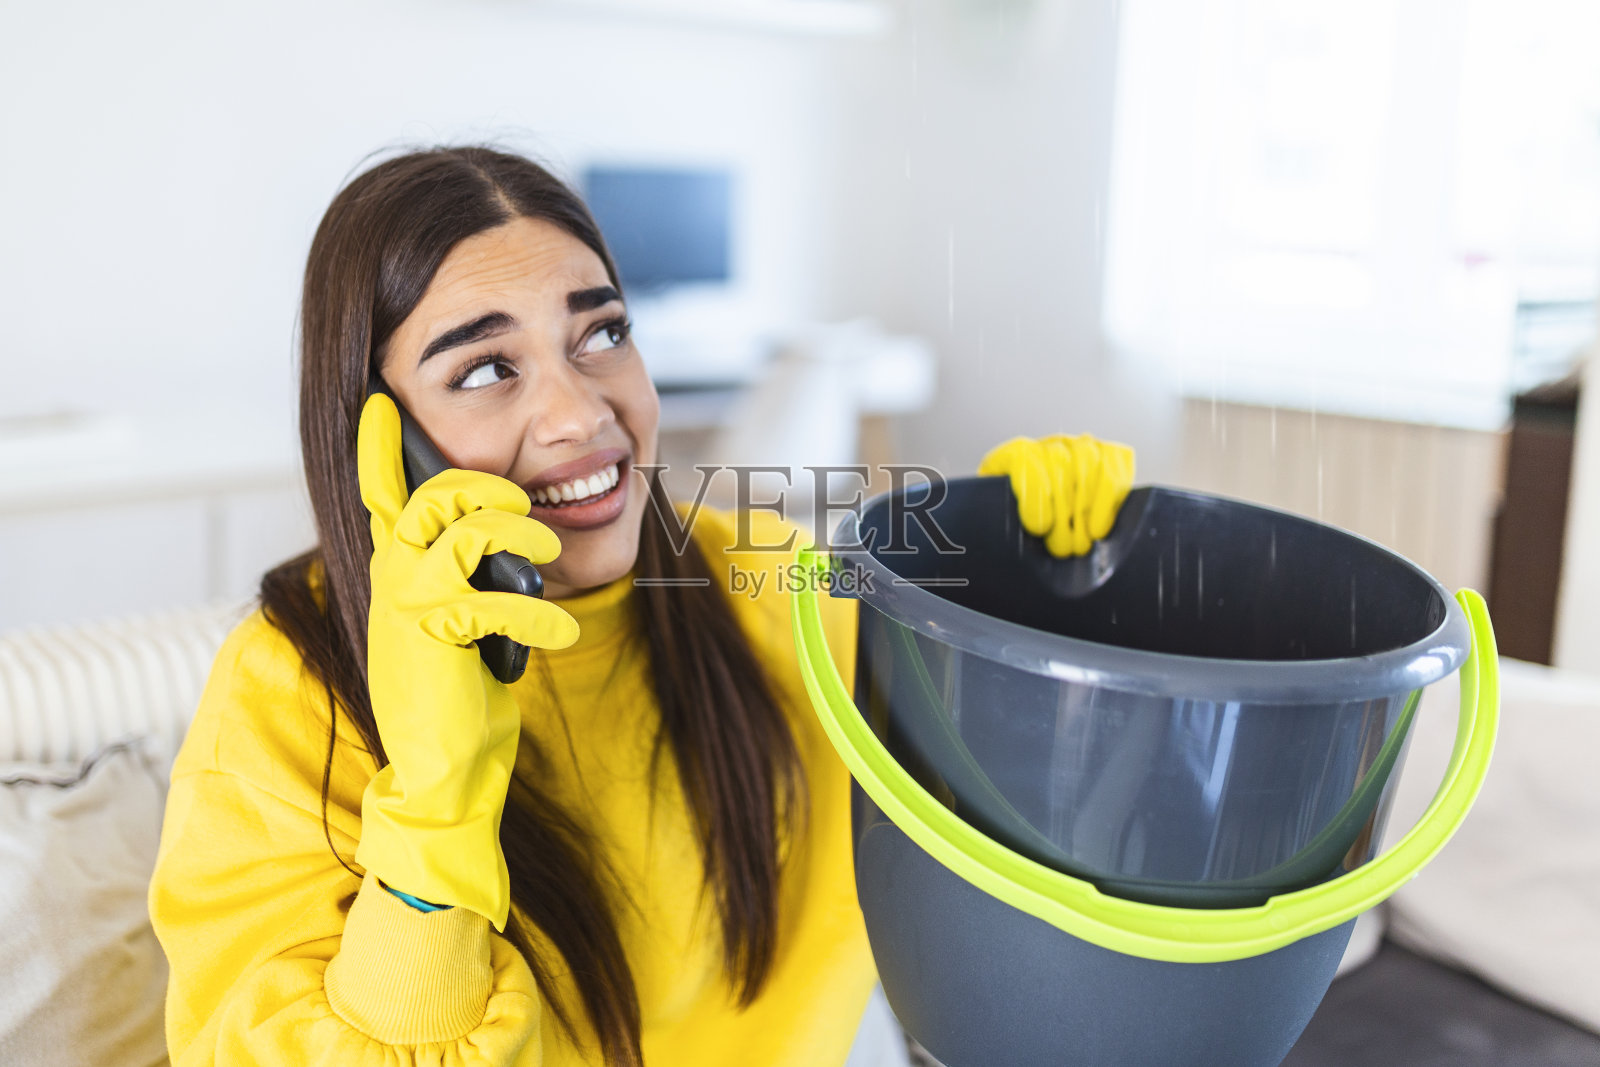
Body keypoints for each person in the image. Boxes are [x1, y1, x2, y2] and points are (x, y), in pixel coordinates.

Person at [148, 144, 1135, 1067]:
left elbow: (1021, 793)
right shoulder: (284, 691)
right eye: (487, 368)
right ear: (378, 440)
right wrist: (436, 797)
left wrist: (1041, 586)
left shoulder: (770, 576)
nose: (583, 412)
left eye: (602, 333)